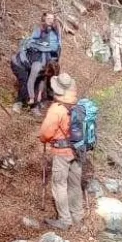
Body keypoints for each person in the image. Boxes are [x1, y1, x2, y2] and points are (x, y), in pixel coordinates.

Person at [38, 73, 83, 230]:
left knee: (59, 184)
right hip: (79, 151)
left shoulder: (56, 109)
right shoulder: (79, 106)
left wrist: (43, 139)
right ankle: (78, 217)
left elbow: (45, 133)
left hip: (62, 152)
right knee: (75, 184)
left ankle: (65, 220)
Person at [10, 38, 58, 109]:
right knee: (24, 82)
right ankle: (18, 104)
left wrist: (39, 93)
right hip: (18, 63)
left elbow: (41, 79)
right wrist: (32, 97)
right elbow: (30, 82)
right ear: (48, 70)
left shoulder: (49, 60)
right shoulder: (38, 65)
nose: (48, 76)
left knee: (36, 80)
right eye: (49, 74)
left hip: (28, 64)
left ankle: (30, 102)